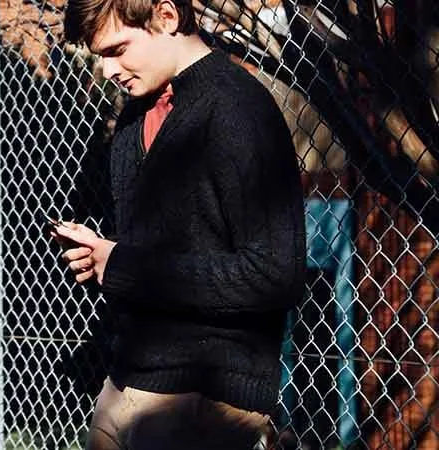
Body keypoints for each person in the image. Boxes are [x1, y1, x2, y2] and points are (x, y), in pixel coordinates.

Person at [50, 0, 307, 448]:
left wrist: (127, 268)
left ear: (167, 16)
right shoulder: (134, 116)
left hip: (204, 398)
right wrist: (103, 259)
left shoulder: (236, 108)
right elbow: (165, 249)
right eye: (100, 56)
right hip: (126, 382)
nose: (108, 70)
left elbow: (276, 274)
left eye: (117, 50)